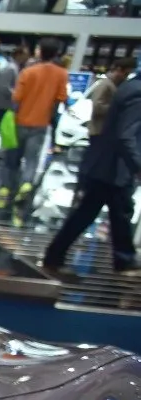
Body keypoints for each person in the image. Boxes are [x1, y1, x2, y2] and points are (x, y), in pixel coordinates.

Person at [42, 63, 141, 278]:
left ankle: (123, 260)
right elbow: (127, 135)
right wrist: (138, 165)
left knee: (105, 213)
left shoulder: (130, 86)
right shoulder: (137, 92)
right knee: (106, 213)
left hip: (108, 165)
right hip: (114, 167)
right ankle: (123, 261)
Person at [0, 37, 69, 209]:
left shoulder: (28, 72)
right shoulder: (61, 74)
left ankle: (5, 187)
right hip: (40, 123)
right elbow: (61, 97)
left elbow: (17, 97)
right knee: (32, 158)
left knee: (11, 158)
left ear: (39, 51)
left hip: (19, 120)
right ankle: (26, 183)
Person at [86, 57, 136, 139]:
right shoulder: (105, 84)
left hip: (111, 132)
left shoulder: (120, 85)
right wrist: (117, 108)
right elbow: (97, 107)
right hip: (99, 131)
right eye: (126, 74)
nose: (126, 77)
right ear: (119, 70)